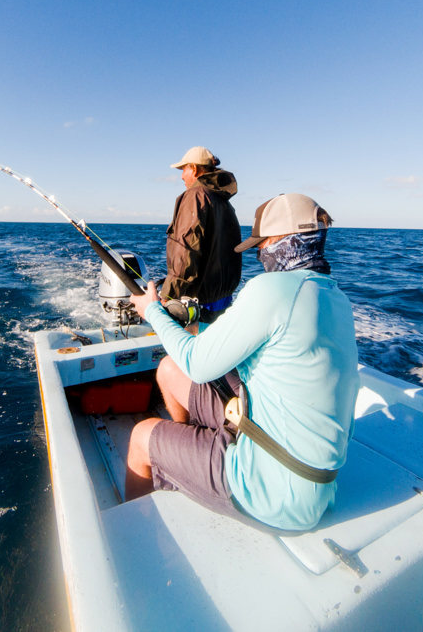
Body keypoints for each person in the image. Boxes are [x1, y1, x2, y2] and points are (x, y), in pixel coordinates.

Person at [127, 193, 360, 533]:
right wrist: (193, 323)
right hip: (317, 486)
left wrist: (152, 311)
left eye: (262, 244)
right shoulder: (334, 297)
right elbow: (261, 333)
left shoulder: (272, 288)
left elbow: (196, 362)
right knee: (168, 370)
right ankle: (188, 456)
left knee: (140, 437)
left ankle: (134, 536)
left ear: (280, 238)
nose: (262, 254)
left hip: (273, 491)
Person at [162, 146, 242, 323]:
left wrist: (168, 294)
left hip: (198, 305)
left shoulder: (195, 196)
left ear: (194, 168)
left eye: (183, 169)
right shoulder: (224, 203)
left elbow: (186, 248)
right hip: (223, 302)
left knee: (189, 350)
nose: (182, 176)